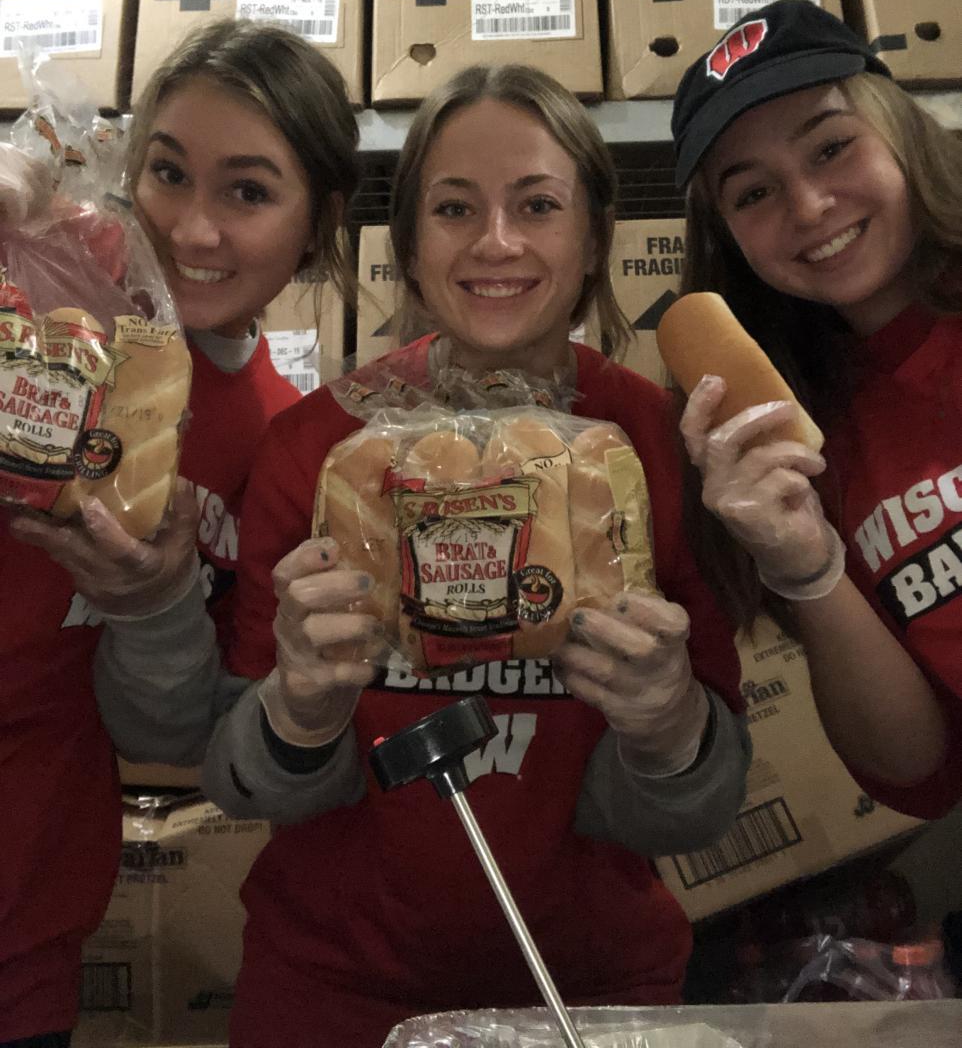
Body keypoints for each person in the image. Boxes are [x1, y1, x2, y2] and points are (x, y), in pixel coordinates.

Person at [83, 62, 750, 1046]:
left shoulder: (651, 444)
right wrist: (298, 711)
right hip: (329, 995)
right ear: (404, 240)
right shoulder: (319, 452)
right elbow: (240, 779)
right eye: (453, 207)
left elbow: (696, 810)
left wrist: (667, 726)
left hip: (587, 994)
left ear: (594, 236)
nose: (495, 241)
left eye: (537, 205)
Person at [1, 19, 358, 1046]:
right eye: (167, 174)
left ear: (319, 223)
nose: (192, 231)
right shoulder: (42, 288)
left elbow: (176, 729)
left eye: (247, 191)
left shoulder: (286, 447)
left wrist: (151, 605)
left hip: (24, 920)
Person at [670, 0, 962, 820]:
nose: (807, 206)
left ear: (898, 130)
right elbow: (916, 773)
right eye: (753, 193)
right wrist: (805, 564)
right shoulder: (791, 445)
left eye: (831, 147)